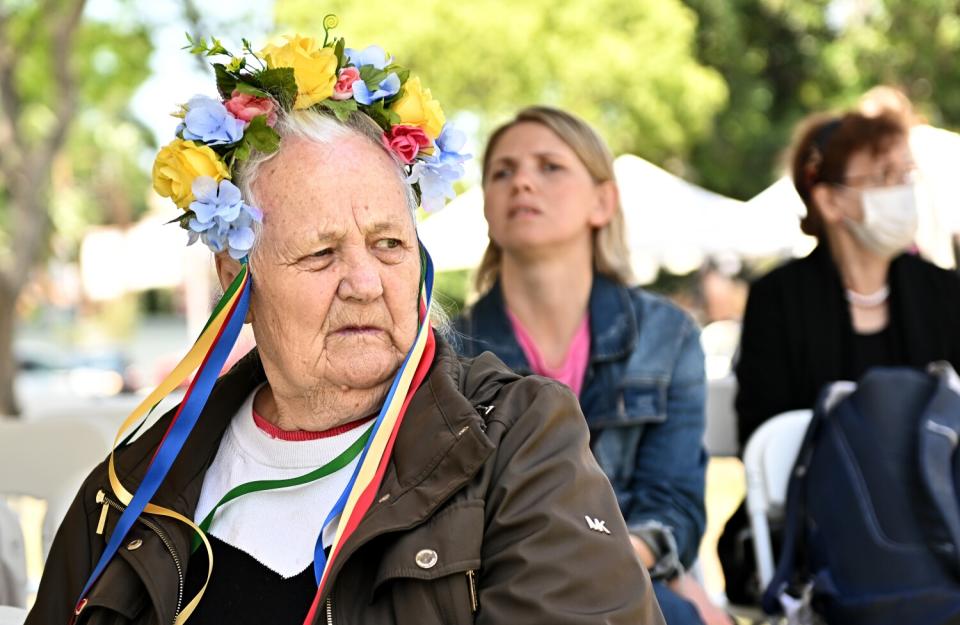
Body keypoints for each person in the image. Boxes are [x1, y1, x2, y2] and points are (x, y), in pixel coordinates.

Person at [26, 30, 664, 625]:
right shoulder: (136, 485)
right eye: (320, 253)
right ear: (235, 273)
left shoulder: (514, 442)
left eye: (389, 244)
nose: (365, 282)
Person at [455, 107, 723, 625]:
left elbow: (673, 506)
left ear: (603, 202)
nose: (523, 182)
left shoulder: (668, 335)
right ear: (486, 205)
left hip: (629, 575)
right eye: (502, 172)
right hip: (496, 587)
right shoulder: (448, 350)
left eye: (549, 166)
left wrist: (598, 566)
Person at [720, 108, 960, 603]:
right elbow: (764, 433)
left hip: (942, 518)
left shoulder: (944, 293)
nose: (903, 192)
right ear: (829, 199)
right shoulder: (778, 299)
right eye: (884, 178)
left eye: (906, 176)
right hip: (823, 531)